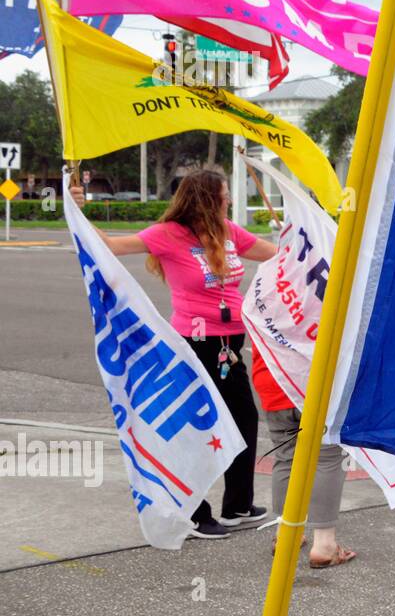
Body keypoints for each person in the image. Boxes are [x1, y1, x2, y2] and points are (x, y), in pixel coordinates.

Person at [71, 169, 275, 540]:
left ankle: (238, 505)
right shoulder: (168, 235)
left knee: (244, 418)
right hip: (193, 345)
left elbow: (275, 255)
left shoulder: (227, 231)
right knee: (199, 428)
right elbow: (110, 247)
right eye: (224, 194)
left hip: (230, 346)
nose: (229, 199)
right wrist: (75, 209)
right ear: (206, 198)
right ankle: (196, 514)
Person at [250, 346, 355, 568]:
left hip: (274, 380)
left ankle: (286, 535)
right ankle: (324, 544)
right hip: (317, 382)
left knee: (286, 458)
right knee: (328, 458)